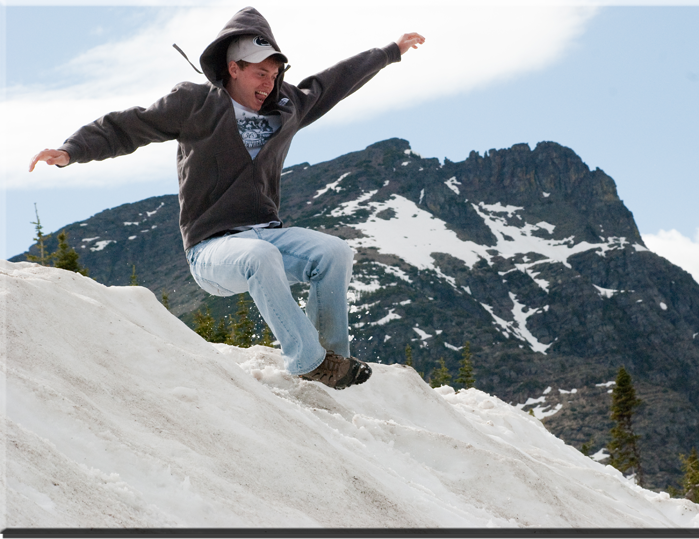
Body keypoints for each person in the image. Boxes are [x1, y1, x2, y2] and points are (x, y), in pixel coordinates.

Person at [29, 6, 425, 390]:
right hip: (212, 249)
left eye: (274, 73)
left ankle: (330, 362)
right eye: (259, 73)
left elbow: (334, 82)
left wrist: (389, 53)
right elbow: (128, 126)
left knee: (334, 253)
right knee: (260, 257)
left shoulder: (288, 106)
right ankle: (308, 362)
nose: (268, 83)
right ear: (233, 69)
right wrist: (72, 150)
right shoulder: (194, 104)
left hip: (267, 233)